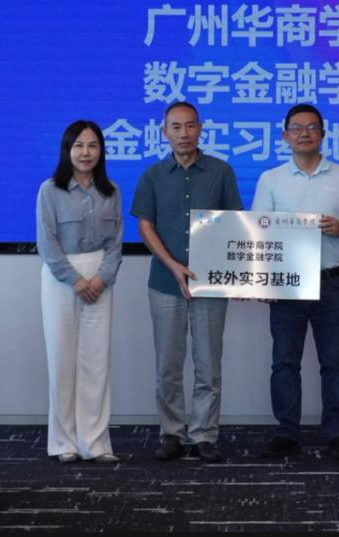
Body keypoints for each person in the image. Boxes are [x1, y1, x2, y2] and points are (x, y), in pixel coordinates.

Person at [251, 104, 339, 461]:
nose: (304, 133)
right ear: (285, 135)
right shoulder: (271, 179)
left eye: (312, 127)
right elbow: (258, 233)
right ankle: (287, 433)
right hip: (286, 284)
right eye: (297, 128)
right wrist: (262, 283)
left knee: (336, 362)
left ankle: (338, 433)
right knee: (285, 362)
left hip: (330, 281)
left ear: (323, 134)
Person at [131, 101, 242, 463]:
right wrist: (174, 266)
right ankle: (172, 433)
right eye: (176, 127)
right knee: (168, 365)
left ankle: (204, 435)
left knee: (209, 364)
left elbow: (234, 226)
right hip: (165, 283)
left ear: (200, 128)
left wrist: (238, 276)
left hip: (211, 283)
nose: (183, 134)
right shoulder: (152, 175)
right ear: (164, 132)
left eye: (190, 126)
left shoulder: (221, 172)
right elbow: (145, 227)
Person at [36, 120, 123, 464]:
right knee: (61, 360)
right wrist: (75, 280)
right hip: (61, 278)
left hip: (101, 278)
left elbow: (116, 244)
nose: (86, 153)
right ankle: (64, 443)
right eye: (79, 146)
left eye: (93, 146)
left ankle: (96, 442)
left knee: (96, 362)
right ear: (67, 150)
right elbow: (47, 242)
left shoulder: (111, 191)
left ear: (101, 151)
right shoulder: (50, 190)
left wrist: (100, 278)